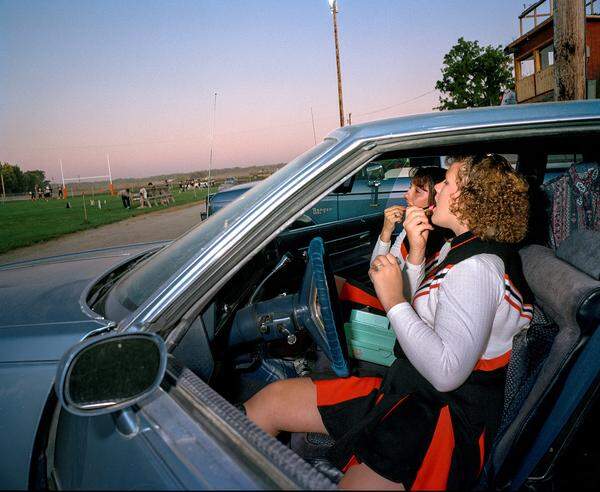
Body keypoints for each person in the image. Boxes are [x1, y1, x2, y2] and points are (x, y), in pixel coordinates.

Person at [244, 154, 533, 490]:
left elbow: (446, 372)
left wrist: (394, 300)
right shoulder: (462, 248)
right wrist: (414, 257)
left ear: (469, 199)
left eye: (447, 182)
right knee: (272, 401)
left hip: (438, 417)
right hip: (409, 385)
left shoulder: (477, 269)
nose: (438, 187)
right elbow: (424, 314)